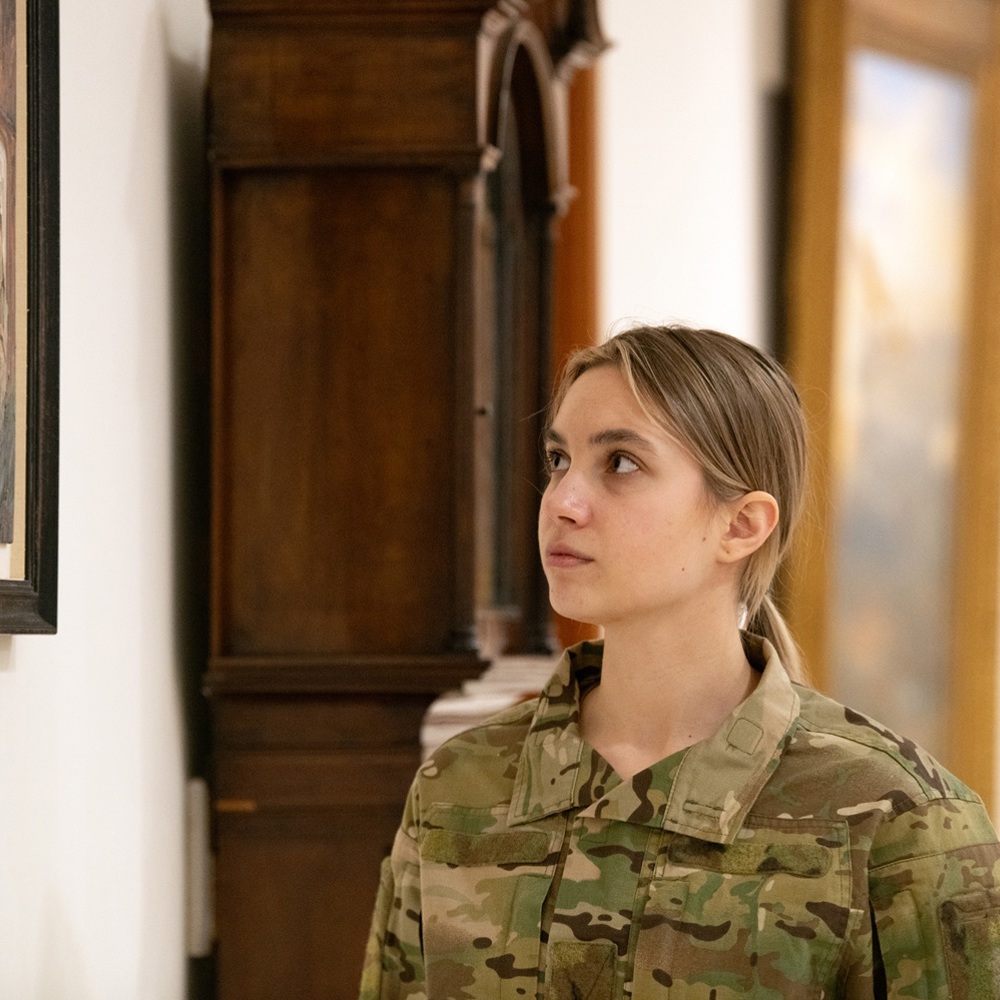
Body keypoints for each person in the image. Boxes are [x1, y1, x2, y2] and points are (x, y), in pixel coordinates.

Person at [359, 324, 1000, 999]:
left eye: (621, 464)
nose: (562, 502)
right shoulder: (459, 788)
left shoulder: (898, 820)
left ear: (741, 525)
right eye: (558, 461)